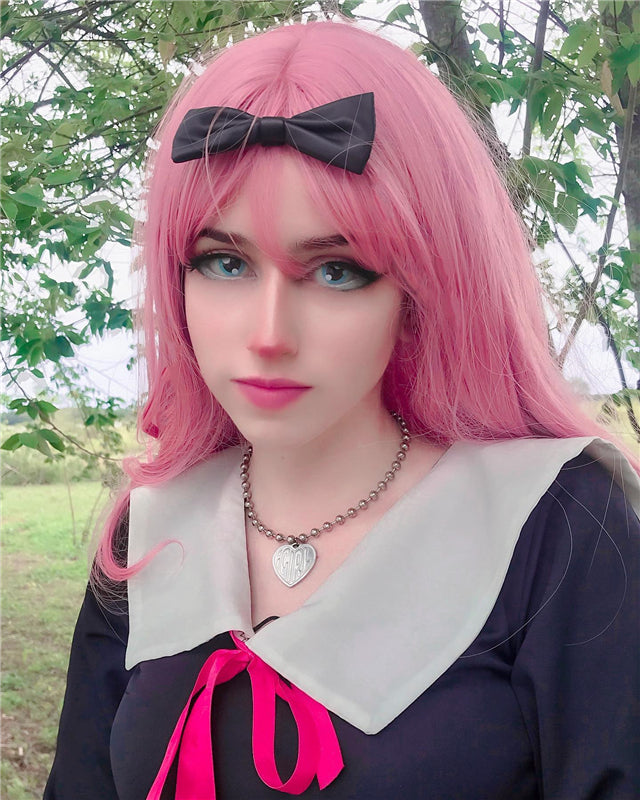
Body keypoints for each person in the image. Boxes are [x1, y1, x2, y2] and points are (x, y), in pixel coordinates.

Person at [44, 19, 639, 800]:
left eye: (336, 271)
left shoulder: (555, 523)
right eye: (224, 262)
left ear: (422, 289)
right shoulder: (152, 531)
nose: (269, 336)